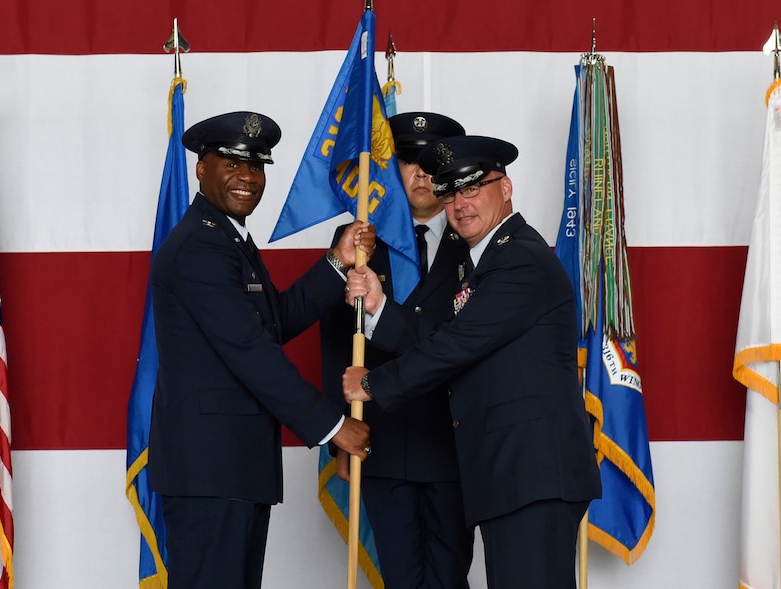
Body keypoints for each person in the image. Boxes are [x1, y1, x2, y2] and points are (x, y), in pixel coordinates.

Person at [342, 135, 602, 588]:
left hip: (533, 477)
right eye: (451, 192)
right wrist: (381, 307)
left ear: (506, 188)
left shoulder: (520, 260)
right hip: (510, 479)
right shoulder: (485, 261)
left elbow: (453, 348)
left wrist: (371, 385)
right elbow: (447, 337)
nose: (461, 204)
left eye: (474, 187)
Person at [148, 111, 374, 589]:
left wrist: (336, 261)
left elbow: (273, 321)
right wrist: (333, 425)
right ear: (201, 168)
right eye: (231, 164)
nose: (247, 178)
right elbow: (251, 351)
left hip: (233, 471)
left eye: (256, 167)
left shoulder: (228, 241)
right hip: (211, 475)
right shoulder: (199, 249)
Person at [319, 112, 474, 588]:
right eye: (408, 160)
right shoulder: (359, 244)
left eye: (433, 162)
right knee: (401, 578)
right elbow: (335, 345)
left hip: (454, 443)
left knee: (449, 578)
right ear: (390, 169)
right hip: (383, 441)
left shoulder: (475, 240)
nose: (422, 173)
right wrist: (340, 431)